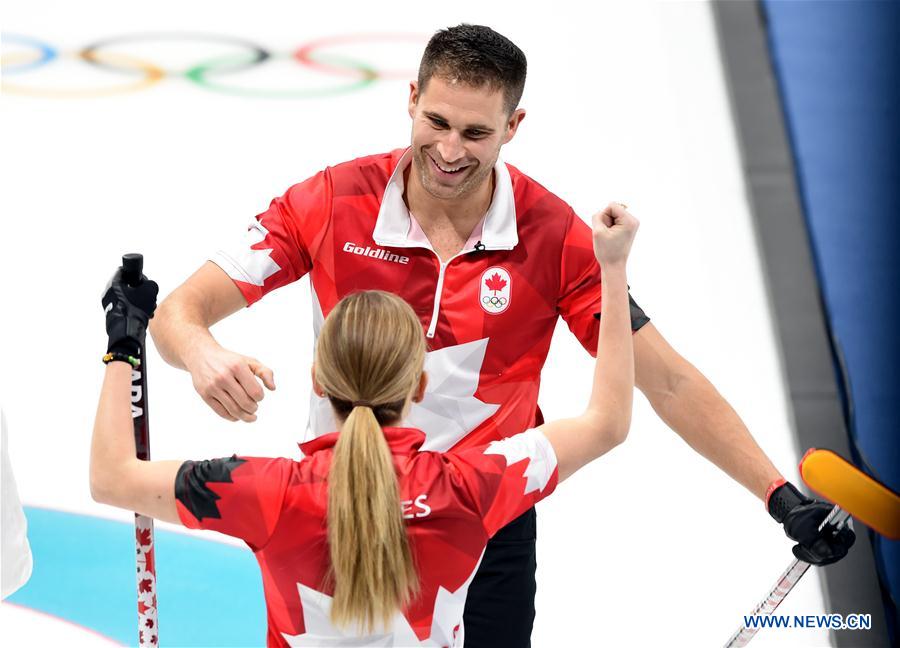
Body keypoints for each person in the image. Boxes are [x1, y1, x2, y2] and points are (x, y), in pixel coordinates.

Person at [148, 24, 854, 646]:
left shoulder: (553, 238)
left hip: (485, 516)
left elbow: (664, 378)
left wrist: (777, 494)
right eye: (437, 122)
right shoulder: (332, 201)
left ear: (513, 126)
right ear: (412, 99)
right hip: (345, 501)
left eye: (476, 133)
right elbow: (180, 311)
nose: (450, 150)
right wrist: (203, 353)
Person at [93, 205, 638, 646]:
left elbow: (112, 479)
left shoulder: (265, 492)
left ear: (318, 379)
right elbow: (607, 422)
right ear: (419, 388)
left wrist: (123, 345)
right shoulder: (471, 487)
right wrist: (611, 270)